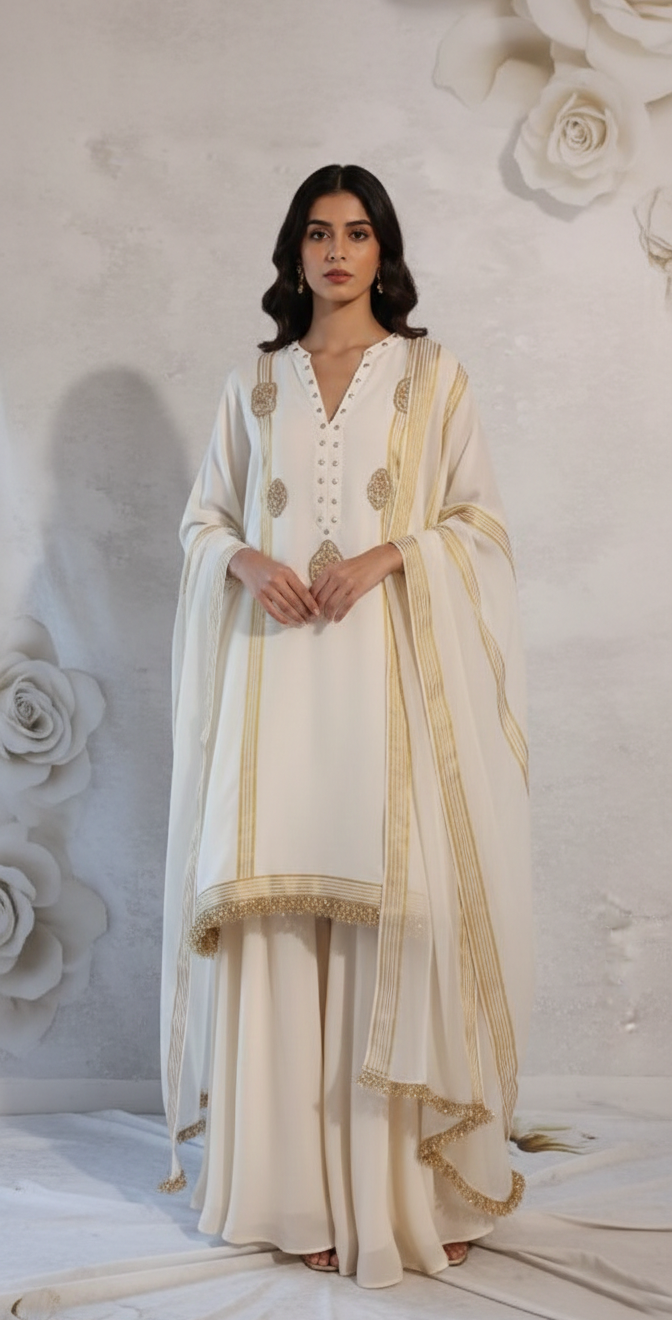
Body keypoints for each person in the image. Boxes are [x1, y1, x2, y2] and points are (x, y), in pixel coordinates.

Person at [160, 164, 533, 1289]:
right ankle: (291, 1196)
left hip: (388, 686)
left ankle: (405, 1196)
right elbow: (201, 520)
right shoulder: (255, 384)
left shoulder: (433, 374)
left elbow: (481, 524)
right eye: (318, 233)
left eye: (357, 232)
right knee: (277, 919)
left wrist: (390, 555)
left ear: (384, 251)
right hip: (275, 685)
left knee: (397, 916)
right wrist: (245, 560)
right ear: (294, 251)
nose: (336, 252)